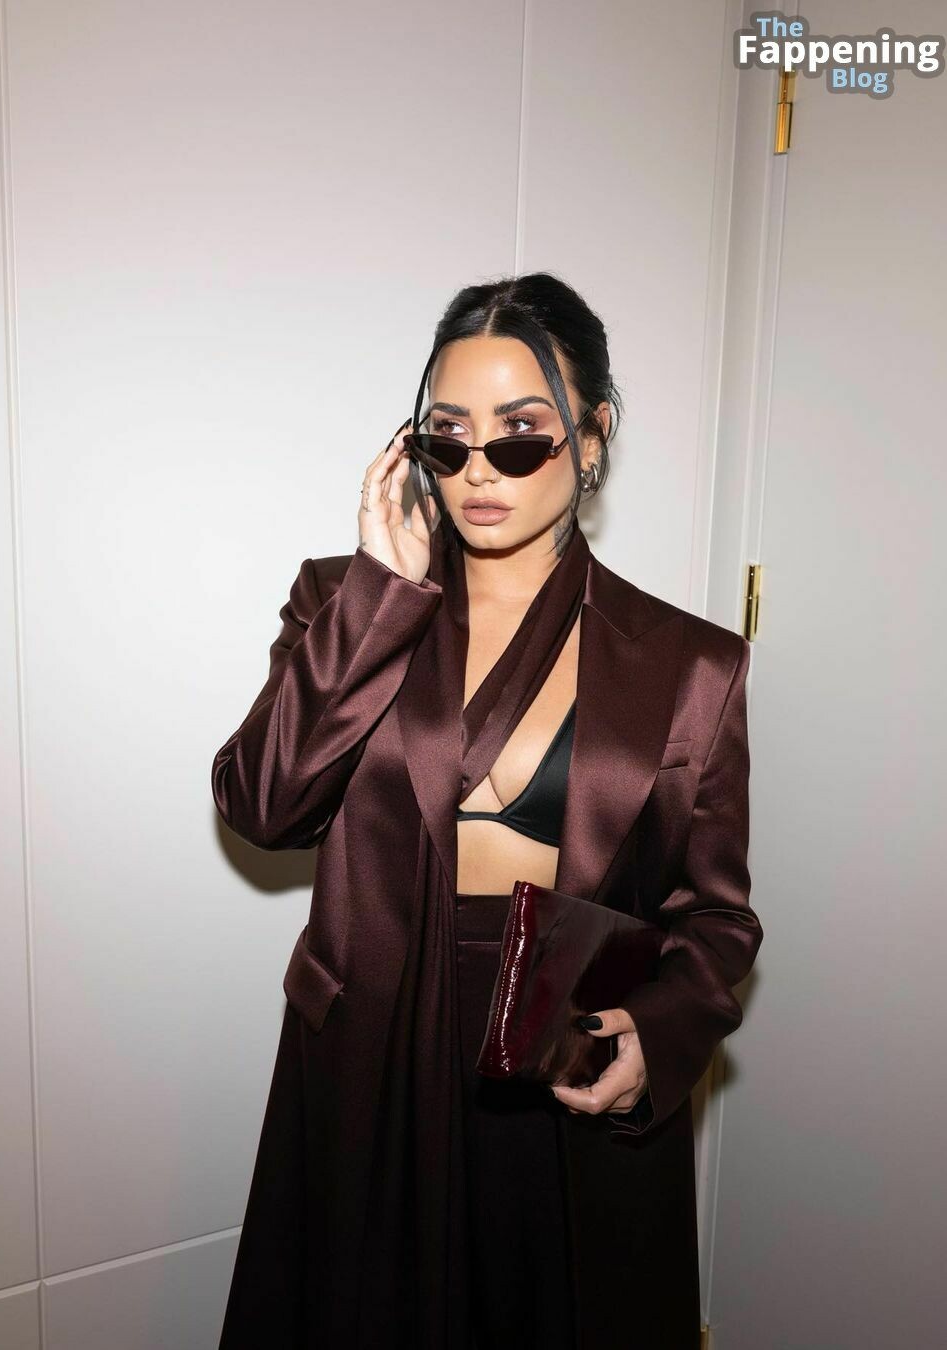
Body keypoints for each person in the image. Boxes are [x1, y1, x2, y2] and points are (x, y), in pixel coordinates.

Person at [212, 272, 764, 1349]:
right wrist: (383, 597)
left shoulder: (691, 664)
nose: (477, 470)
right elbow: (263, 806)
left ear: (591, 438)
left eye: (520, 436)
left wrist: (658, 1033)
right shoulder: (343, 601)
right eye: (448, 436)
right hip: (372, 1060)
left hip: (556, 1065)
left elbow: (716, 917)